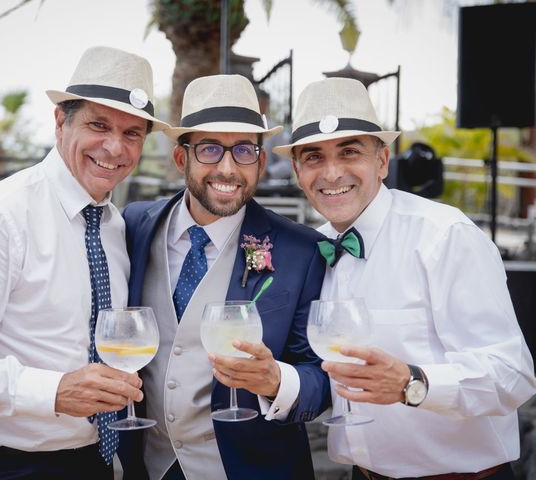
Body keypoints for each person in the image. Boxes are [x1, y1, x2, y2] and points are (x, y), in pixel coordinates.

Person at [0, 46, 170, 479]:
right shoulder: (0, 215)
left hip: (93, 463)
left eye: (132, 133)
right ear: (59, 122)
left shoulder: (115, 225)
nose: (114, 147)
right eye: (98, 125)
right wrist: (53, 391)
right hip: (0, 467)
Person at [273, 77, 536, 479]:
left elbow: (513, 374)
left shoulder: (444, 235)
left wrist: (414, 383)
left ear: (382, 161)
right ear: (297, 170)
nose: (331, 172)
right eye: (313, 157)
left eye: (350, 151)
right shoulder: (312, 249)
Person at [120, 74, 329, 480]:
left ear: (262, 161)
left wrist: (276, 381)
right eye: (210, 149)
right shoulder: (132, 226)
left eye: (245, 150)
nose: (228, 168)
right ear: (182, 159)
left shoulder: (300, 251)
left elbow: (320, 374)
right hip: (148, 467)